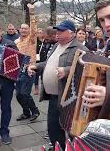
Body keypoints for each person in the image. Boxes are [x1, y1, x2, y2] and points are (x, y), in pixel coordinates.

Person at [27, 20, 86, 149]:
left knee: (71, 131)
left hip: (70, 99)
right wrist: (36, 66)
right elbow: (48, 64)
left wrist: (66, 70)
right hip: (54, 97)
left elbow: (87, 68)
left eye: (61, 31)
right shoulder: (56, 46)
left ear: (71, 33)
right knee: (53, 129)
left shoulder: (79, 48)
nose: (57, 34)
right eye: (57, 31)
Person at [14, 23, 40, 122]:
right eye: (22, 28)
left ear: (29, 30)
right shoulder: (16, 41)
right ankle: (26, 113)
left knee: (25, 93)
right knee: (18, 95)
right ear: (19, 30)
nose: (24, 30)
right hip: (18, 70)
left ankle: (35, 111)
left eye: (26, 28)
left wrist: (32, 12)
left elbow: (34, 30)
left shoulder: (32, 39)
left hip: (29, 69)